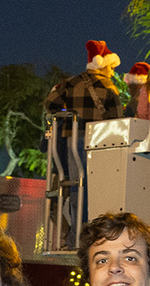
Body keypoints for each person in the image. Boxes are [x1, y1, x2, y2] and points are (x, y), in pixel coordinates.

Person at [44, 41, 126, 192]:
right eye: (112, 68)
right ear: (102, 65)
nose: (113, 73)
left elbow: (49, 103)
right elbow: (117, 121)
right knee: (96, 186)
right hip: (99, 142)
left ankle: (77, 214)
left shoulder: (71, 83)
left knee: (76, 183)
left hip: (73, 139)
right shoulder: (109, 87)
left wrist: (66, 111)